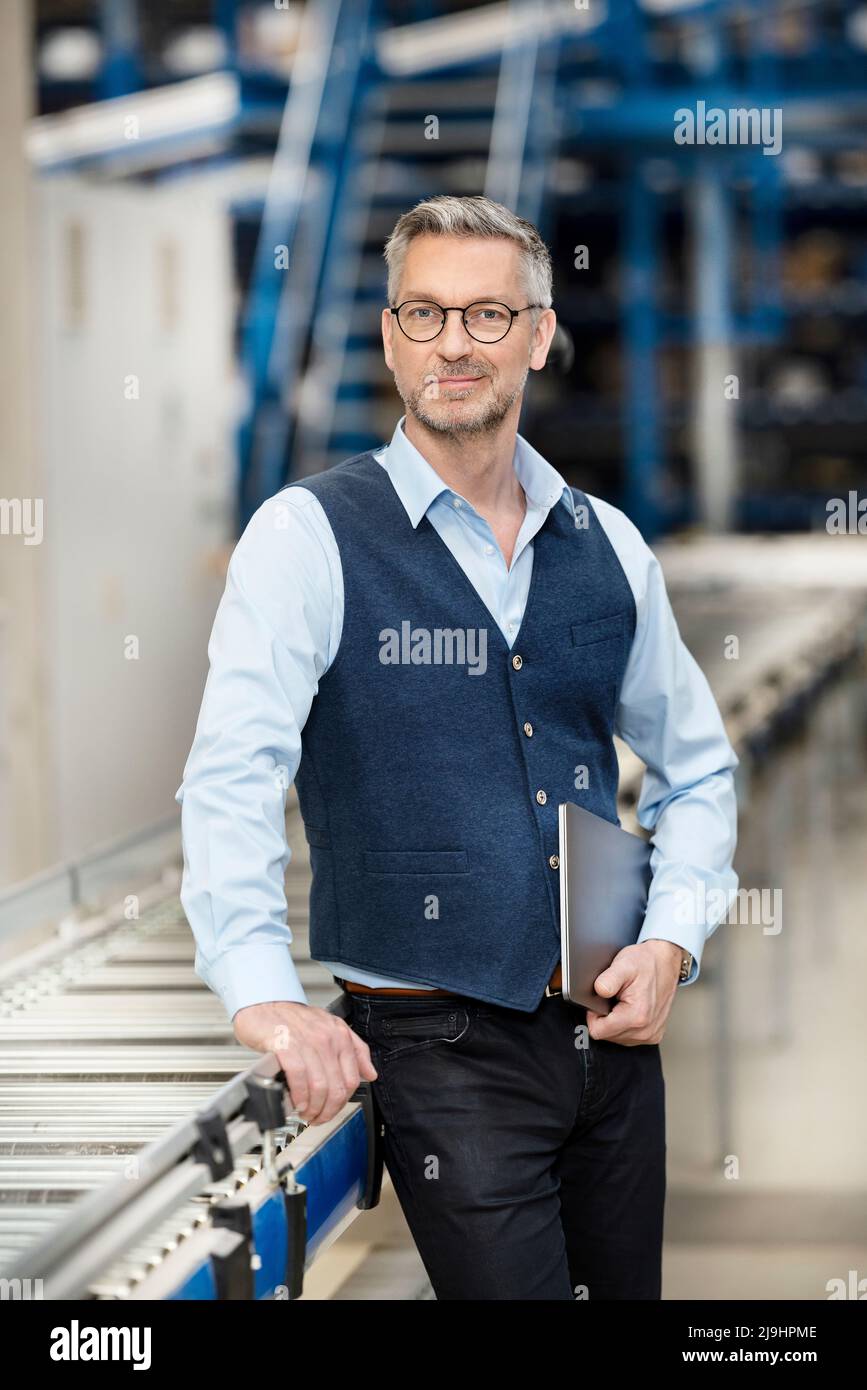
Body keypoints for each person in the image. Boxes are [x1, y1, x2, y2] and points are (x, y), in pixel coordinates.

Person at [176, 194, 739, 1300]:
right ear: (390, 336)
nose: (453, 345)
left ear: (538, 333)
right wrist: (260, 988)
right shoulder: (307, 539)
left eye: (487, 316)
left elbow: (701, 767)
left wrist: (671, 940)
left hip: (611, 1041)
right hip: (439, 1052)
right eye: (424, 314)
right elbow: (231, 776)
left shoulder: (607, 542)